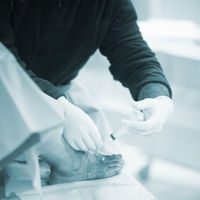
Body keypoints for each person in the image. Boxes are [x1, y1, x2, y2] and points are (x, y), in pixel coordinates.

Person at [0, 0, 173, 182]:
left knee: (108, 174)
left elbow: (132, 53)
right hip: (9, 92)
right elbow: (5, 62)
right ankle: (67, 163)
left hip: (57, 88)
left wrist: (158, 97)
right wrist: (58, 105)